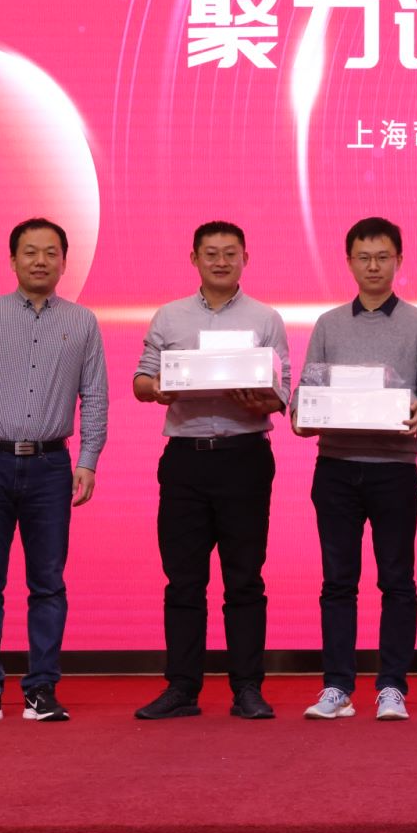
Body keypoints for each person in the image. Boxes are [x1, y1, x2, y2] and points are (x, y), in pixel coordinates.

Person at [0, 217, 108, 724]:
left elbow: (95, 397)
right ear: (13, 259)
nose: (41, 261)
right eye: (30, 252)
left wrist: (88, 461)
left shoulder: (83, 322)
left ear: (64, 261)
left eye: (51, 252)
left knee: (48, 583)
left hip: (51, 466)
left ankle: (41, 691)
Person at [131, 221, 290, 721]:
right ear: (194, 258)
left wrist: (264, 398)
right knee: (183, 580)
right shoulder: (169, 315)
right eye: (211, 253)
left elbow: (283, 392)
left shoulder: (266, 318)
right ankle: (182, 687)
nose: (221, 262)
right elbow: (140, 379)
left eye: (230, 253)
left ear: (246, 258)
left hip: (245, 457)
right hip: (185, 460)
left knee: (245, 580)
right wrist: (158, 389)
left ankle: (247, 688)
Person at [291, 217, 417, 722]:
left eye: (383, 257)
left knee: (397, 581)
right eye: (364, 257)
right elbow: (307, 391)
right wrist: (300, 414)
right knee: (338, 582)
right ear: (350, 262)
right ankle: (337, 686)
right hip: (336, 468)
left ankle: (392, 686)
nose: (373, 266)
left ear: (398, 260)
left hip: (394, 469)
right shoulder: (329, 324)